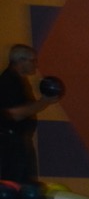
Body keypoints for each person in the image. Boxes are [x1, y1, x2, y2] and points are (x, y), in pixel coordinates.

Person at [0, 45, 61, 185]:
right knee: (14, 185)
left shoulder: (16, 80)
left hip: (16, 141)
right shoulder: (9, 81)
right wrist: (44, 101)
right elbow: (14, 114)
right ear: (20, 61)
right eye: (33, 60)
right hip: (11, 143)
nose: (36, 64)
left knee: (23, 184)